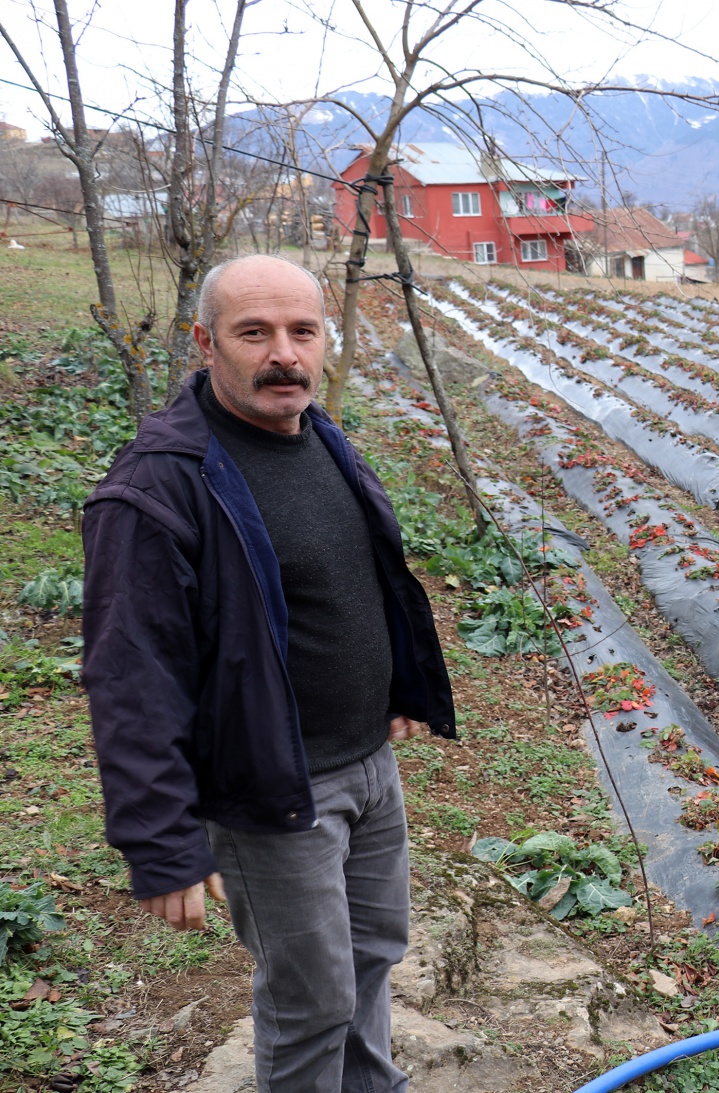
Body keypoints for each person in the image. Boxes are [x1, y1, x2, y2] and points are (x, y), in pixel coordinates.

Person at [81, 253, 455, 1092]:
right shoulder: (157, 489)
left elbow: (352, 581)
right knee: (311, 997)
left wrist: (397, 688)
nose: (283, 353)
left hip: (368, 766)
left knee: (371, 957)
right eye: (255, 332)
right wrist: (162, 840)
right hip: (277, 789)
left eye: (301, 331)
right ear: (205, 342)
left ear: (326, 339)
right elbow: (128, 676)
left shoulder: (317, 432)